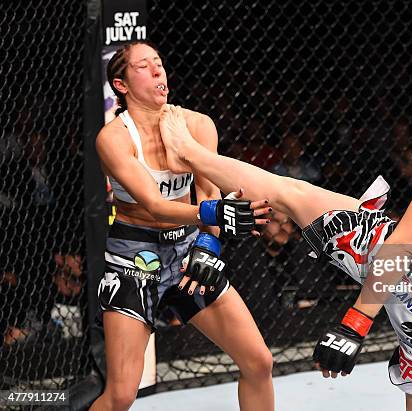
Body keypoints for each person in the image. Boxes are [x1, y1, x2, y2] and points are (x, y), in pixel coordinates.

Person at [158, 55, 412, 411]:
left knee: (290, 191)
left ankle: (189, 152)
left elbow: (401, 249)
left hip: (395, 267)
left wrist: (354, 324)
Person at [91, 41, 274, 411]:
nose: (158, 70)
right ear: (121, 84)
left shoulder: (196, 125)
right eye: (144, 66)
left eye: (158, 62)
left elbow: (208, 194)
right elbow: (155, 204)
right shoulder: (113, 138)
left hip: (186, 253)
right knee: (122, 394)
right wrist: (213, 214)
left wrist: (209, 245)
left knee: (259, 362)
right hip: (134, 258)